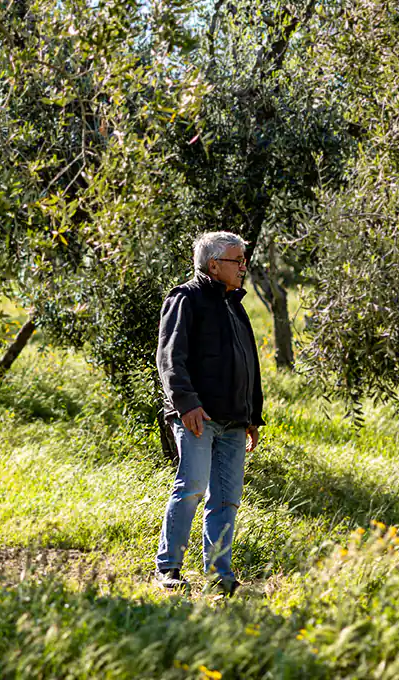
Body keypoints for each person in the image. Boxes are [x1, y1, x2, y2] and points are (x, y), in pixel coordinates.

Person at [154, 231, 264, 596]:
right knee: (192, 489)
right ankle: (168, 568)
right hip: (198, 416)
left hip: (234, 419)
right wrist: (186, 403)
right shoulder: (185, 298)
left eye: (243, 260)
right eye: (238, 260)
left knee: (226, 499)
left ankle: (219, 575)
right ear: (214, 264)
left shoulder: (236, 305)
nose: (243, 267)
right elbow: (170, 357)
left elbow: (250, 363)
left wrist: (252, 416)